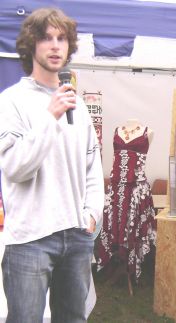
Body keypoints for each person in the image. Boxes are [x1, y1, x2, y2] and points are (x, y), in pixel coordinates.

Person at [0, 7, 104, 323]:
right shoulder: (11, 101)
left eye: (62, 38)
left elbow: (92, 166)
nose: (56, 46)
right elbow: (16, 167)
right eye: (47, 38)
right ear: (31, 45)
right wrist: (50, 117)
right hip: (29, 239)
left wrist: (91, 215)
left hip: (75, 236)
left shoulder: (78, 105)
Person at [98, 118, 156, 295]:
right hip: (116, 189)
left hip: (136, 190)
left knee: (133, 228)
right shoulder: (117, 130)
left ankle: (129, 266)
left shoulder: (148, 131)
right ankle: (117, 263)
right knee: (113, 227)